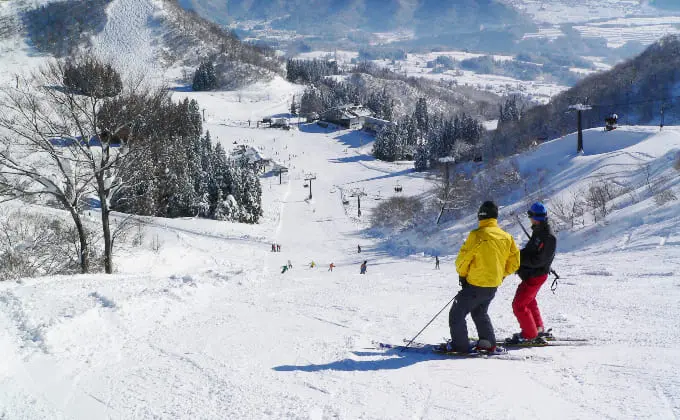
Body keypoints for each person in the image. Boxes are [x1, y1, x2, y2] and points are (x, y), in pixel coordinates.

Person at [443, 201, 520, 354]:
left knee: (457, 313)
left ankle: (460, 346)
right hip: (492, 285)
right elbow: (515, 262)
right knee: (479, 312)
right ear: (495, 216)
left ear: (480, 216)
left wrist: (463, 275)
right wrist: (500, 274)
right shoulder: (506, 237)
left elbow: (464, 260)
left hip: (476, 284)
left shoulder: (477, 235)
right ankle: (487, 342)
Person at [507, 202, 557, 345]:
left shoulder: (547, 236)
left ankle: (529, 334)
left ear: (535, 217)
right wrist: (516, 255)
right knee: (529, 301)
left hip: (536, 275)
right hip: (532, 274)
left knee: (519, 305)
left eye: (530, 216)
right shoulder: (539, 232)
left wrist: (518, 260)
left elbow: (538, 260)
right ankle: (537, 328)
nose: (529, 219)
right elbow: (531, 251)